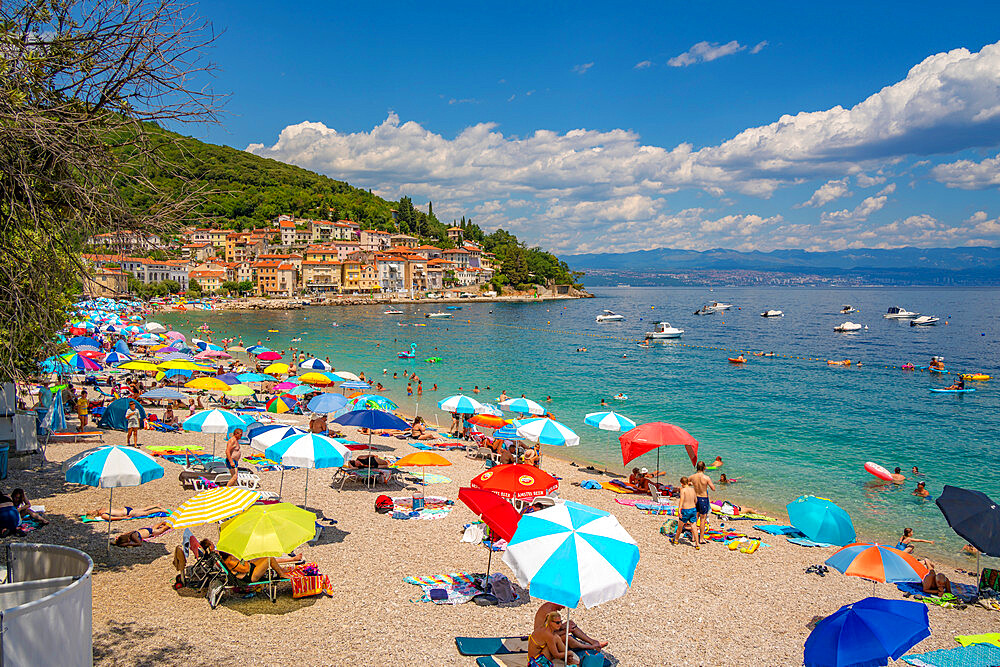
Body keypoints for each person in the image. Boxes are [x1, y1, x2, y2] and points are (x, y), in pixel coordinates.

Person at [532, 602, 606, 657]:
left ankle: (594, 642)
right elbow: (549, 635)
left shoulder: (551, 608)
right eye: (563, 604)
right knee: (567, 638)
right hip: (543, 640)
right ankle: (590, 646)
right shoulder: (548, 611)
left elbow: (552, 629)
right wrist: (565, 631)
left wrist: (565, 628)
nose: (564, 607)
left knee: (570, 623)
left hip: (547, 633)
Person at [690, 461, 716, 547]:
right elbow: (713, 488)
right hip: (703, 499)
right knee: (702, 519)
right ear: (704, 468)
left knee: (695, 517)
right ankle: (701, 538)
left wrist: (691, 484)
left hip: (695, 498)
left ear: (696, 468)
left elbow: (685, 483)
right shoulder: (706, 478)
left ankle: (694, 537)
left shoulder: (692, 477)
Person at [673, 476, 698, 547]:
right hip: (693, 509)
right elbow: (696, 500)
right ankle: (697, 544)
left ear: (681, 483)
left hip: (685, 510)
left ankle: (676, 540)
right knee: (694, 526)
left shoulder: (683, 490)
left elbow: (681, 500)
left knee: (680, 527)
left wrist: (679, 510)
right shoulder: (693, 490)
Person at [88, 505, 163, 521]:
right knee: (144, 509)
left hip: (127, 513)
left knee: (147, 513)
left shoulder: (103, 515)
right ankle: (156, 505)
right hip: (126, 509)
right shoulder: (102, 509)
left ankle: (161, 510)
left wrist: (123, 517)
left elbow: (113, 518)